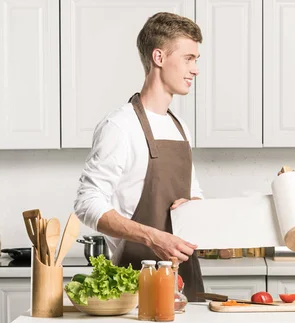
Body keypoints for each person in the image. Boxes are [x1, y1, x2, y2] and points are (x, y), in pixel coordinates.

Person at [73, 12, 205, 301]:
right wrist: (153, 237)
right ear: (159, 57)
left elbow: (194, 193)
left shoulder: (180, 127)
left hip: (183, 276)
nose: (195, 70)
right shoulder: (119, 126)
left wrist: (192, 206)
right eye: (188, 58)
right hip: (134, 279)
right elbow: (87, 203)